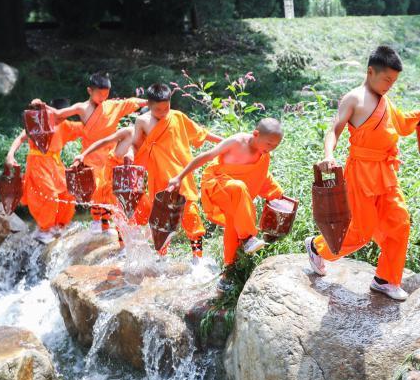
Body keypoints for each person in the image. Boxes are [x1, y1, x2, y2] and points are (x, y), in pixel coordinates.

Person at [305, 45, 420, 301]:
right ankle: (317, 247)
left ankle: (385, 280)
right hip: (360, 173)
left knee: (400, 223)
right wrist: (328, 155)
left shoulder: (385, 100)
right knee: (361, 232)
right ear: (370, 71)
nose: (390, 84)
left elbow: (401, 123)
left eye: (394, 80)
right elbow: (334, 129)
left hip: (386, 174)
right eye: (387, 79)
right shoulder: (354, 99)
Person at [167, 118, 286, 288]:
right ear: (256, 134)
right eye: (269, 144)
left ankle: (228, 272)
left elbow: (263, 176)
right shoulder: (236, 142)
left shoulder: (263, 153)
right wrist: (179, 177)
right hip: (217, 186)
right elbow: (205, 156)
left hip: (237, 196)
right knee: (238, 187)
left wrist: (278, 194)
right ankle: (247, 237)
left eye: (275, 146)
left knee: (233, 222)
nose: (271, 149)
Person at [32, 72, 146, 231]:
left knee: (109, 190)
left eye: (106, 94)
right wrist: (43, 105)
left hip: (110, 154)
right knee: (96, 188)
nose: (103, 98)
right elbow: (58, 114)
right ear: (89, 91)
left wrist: (150, 101)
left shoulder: (112, 105)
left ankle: (106, 224)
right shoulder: (81, 108)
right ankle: (96, 221)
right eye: (99, 94)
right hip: (91, 155)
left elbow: (132, 102)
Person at [126, 83, 221, 262]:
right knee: (162, 218)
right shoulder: (142, 121)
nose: (163, 112)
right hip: (159, 176)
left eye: (166, 107)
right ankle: (162, 258)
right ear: (148, 104)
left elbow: (201, 133)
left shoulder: (177, 117)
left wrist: (224, 141)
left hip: (182, 173)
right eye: (158, 109)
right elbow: (136, 144)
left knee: (191, 212)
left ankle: (197, 257)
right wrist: (130, 153)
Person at [6, 98, 84, 243]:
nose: (62, 118)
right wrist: (10, 155)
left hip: (55, 164)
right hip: (38, 164)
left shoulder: (65, 125)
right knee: (49, 195)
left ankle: (59, 226)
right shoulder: (39, 120)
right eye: (60, 115)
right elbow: (21, 137)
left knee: (68, 193)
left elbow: (89, 128)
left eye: (64, 115)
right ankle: (44, 229)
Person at [72, 126, 151, 241]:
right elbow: (105, 141)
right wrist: (83, 155)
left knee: (140, 209)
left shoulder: (153, 139)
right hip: (113, 173)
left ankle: (131, 237)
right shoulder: (129, 132)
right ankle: (122, 244)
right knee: (119, 208)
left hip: (131, 176)